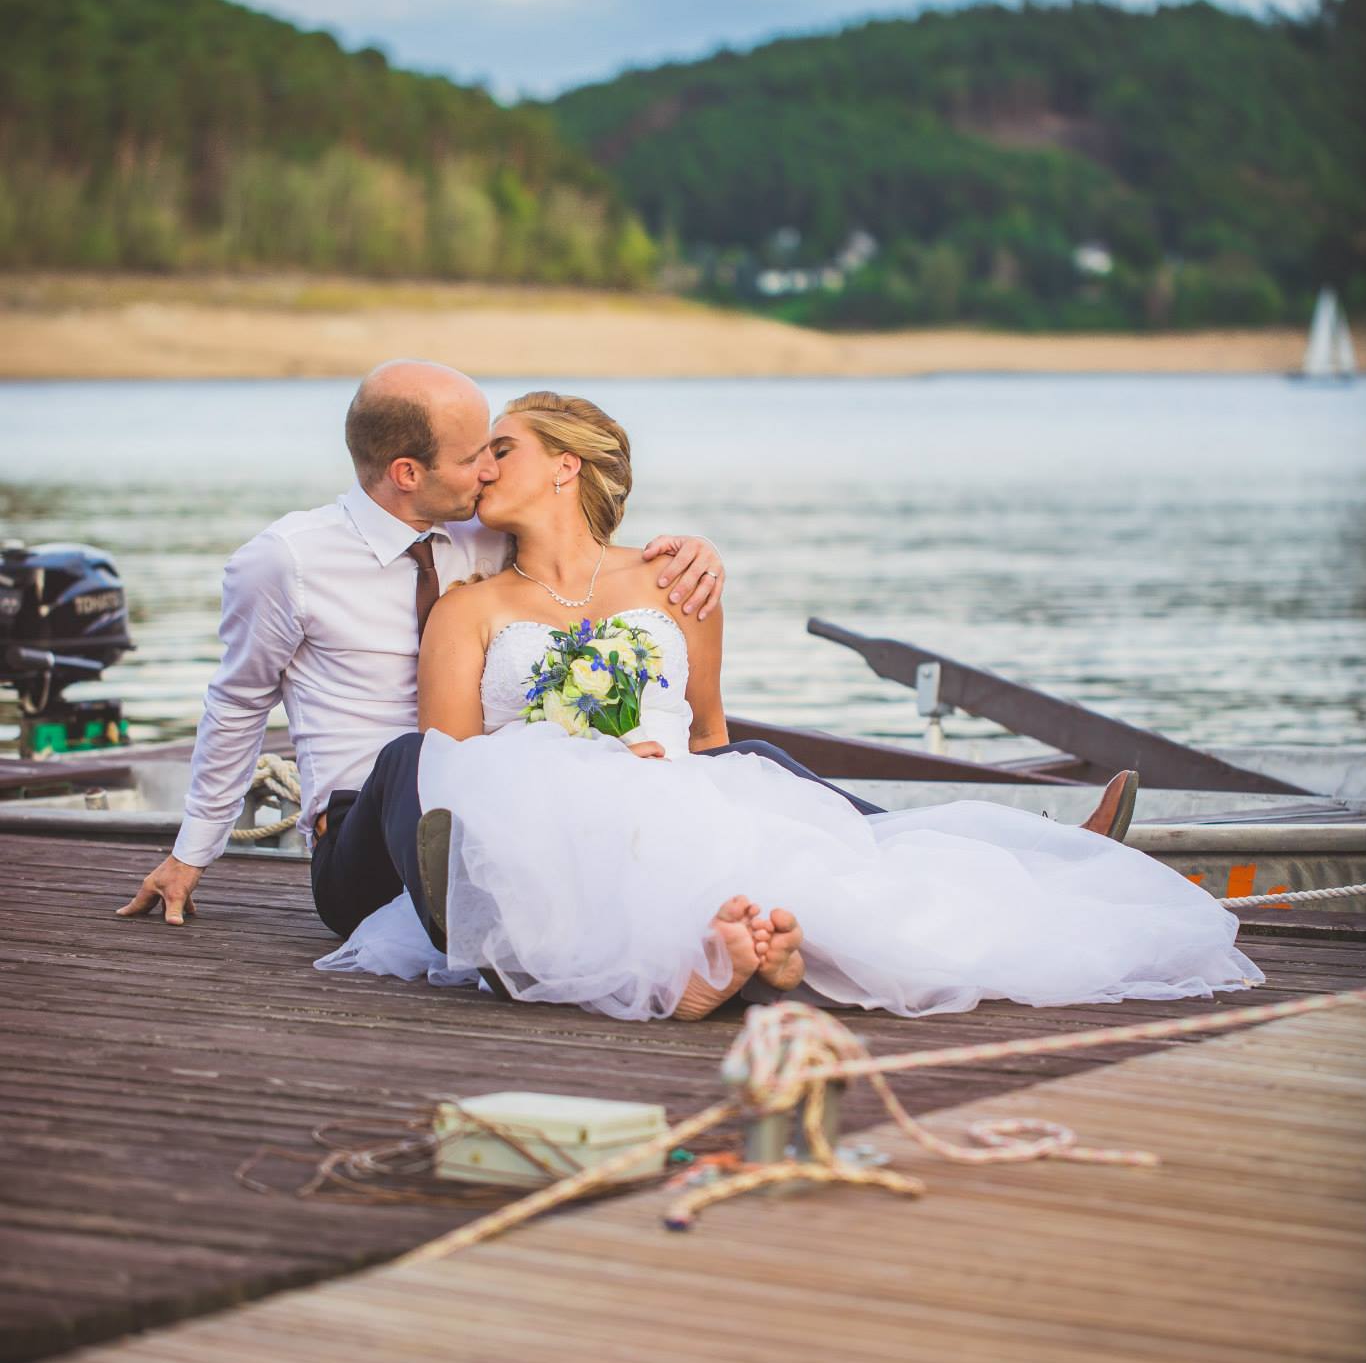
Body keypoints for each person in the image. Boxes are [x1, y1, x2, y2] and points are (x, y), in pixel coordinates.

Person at [320, 390, 1263, 1022]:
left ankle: (1017, 864)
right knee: (429, 769)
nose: (482, 468)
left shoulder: (675, 579)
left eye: (503, 449)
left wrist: (663, 773)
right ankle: (500, 936)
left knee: (773, 794)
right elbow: (453, 767)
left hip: (663, 791)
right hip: (533, 818)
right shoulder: (471, 605)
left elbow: (708, 733)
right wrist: (589, 763)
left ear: (567, 466)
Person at [115, 361, 727, 937]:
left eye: (496, 451)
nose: (488, 471)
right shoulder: (288, 561)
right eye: (475, 456)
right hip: (364, 836)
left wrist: (695, 553)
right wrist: (191, 854)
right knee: (412, 758)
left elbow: (576, 558)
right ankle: (479, 931)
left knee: (752, 762)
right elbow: (237, 703)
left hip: (511, 818)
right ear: (408, 473)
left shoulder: (487, 532)